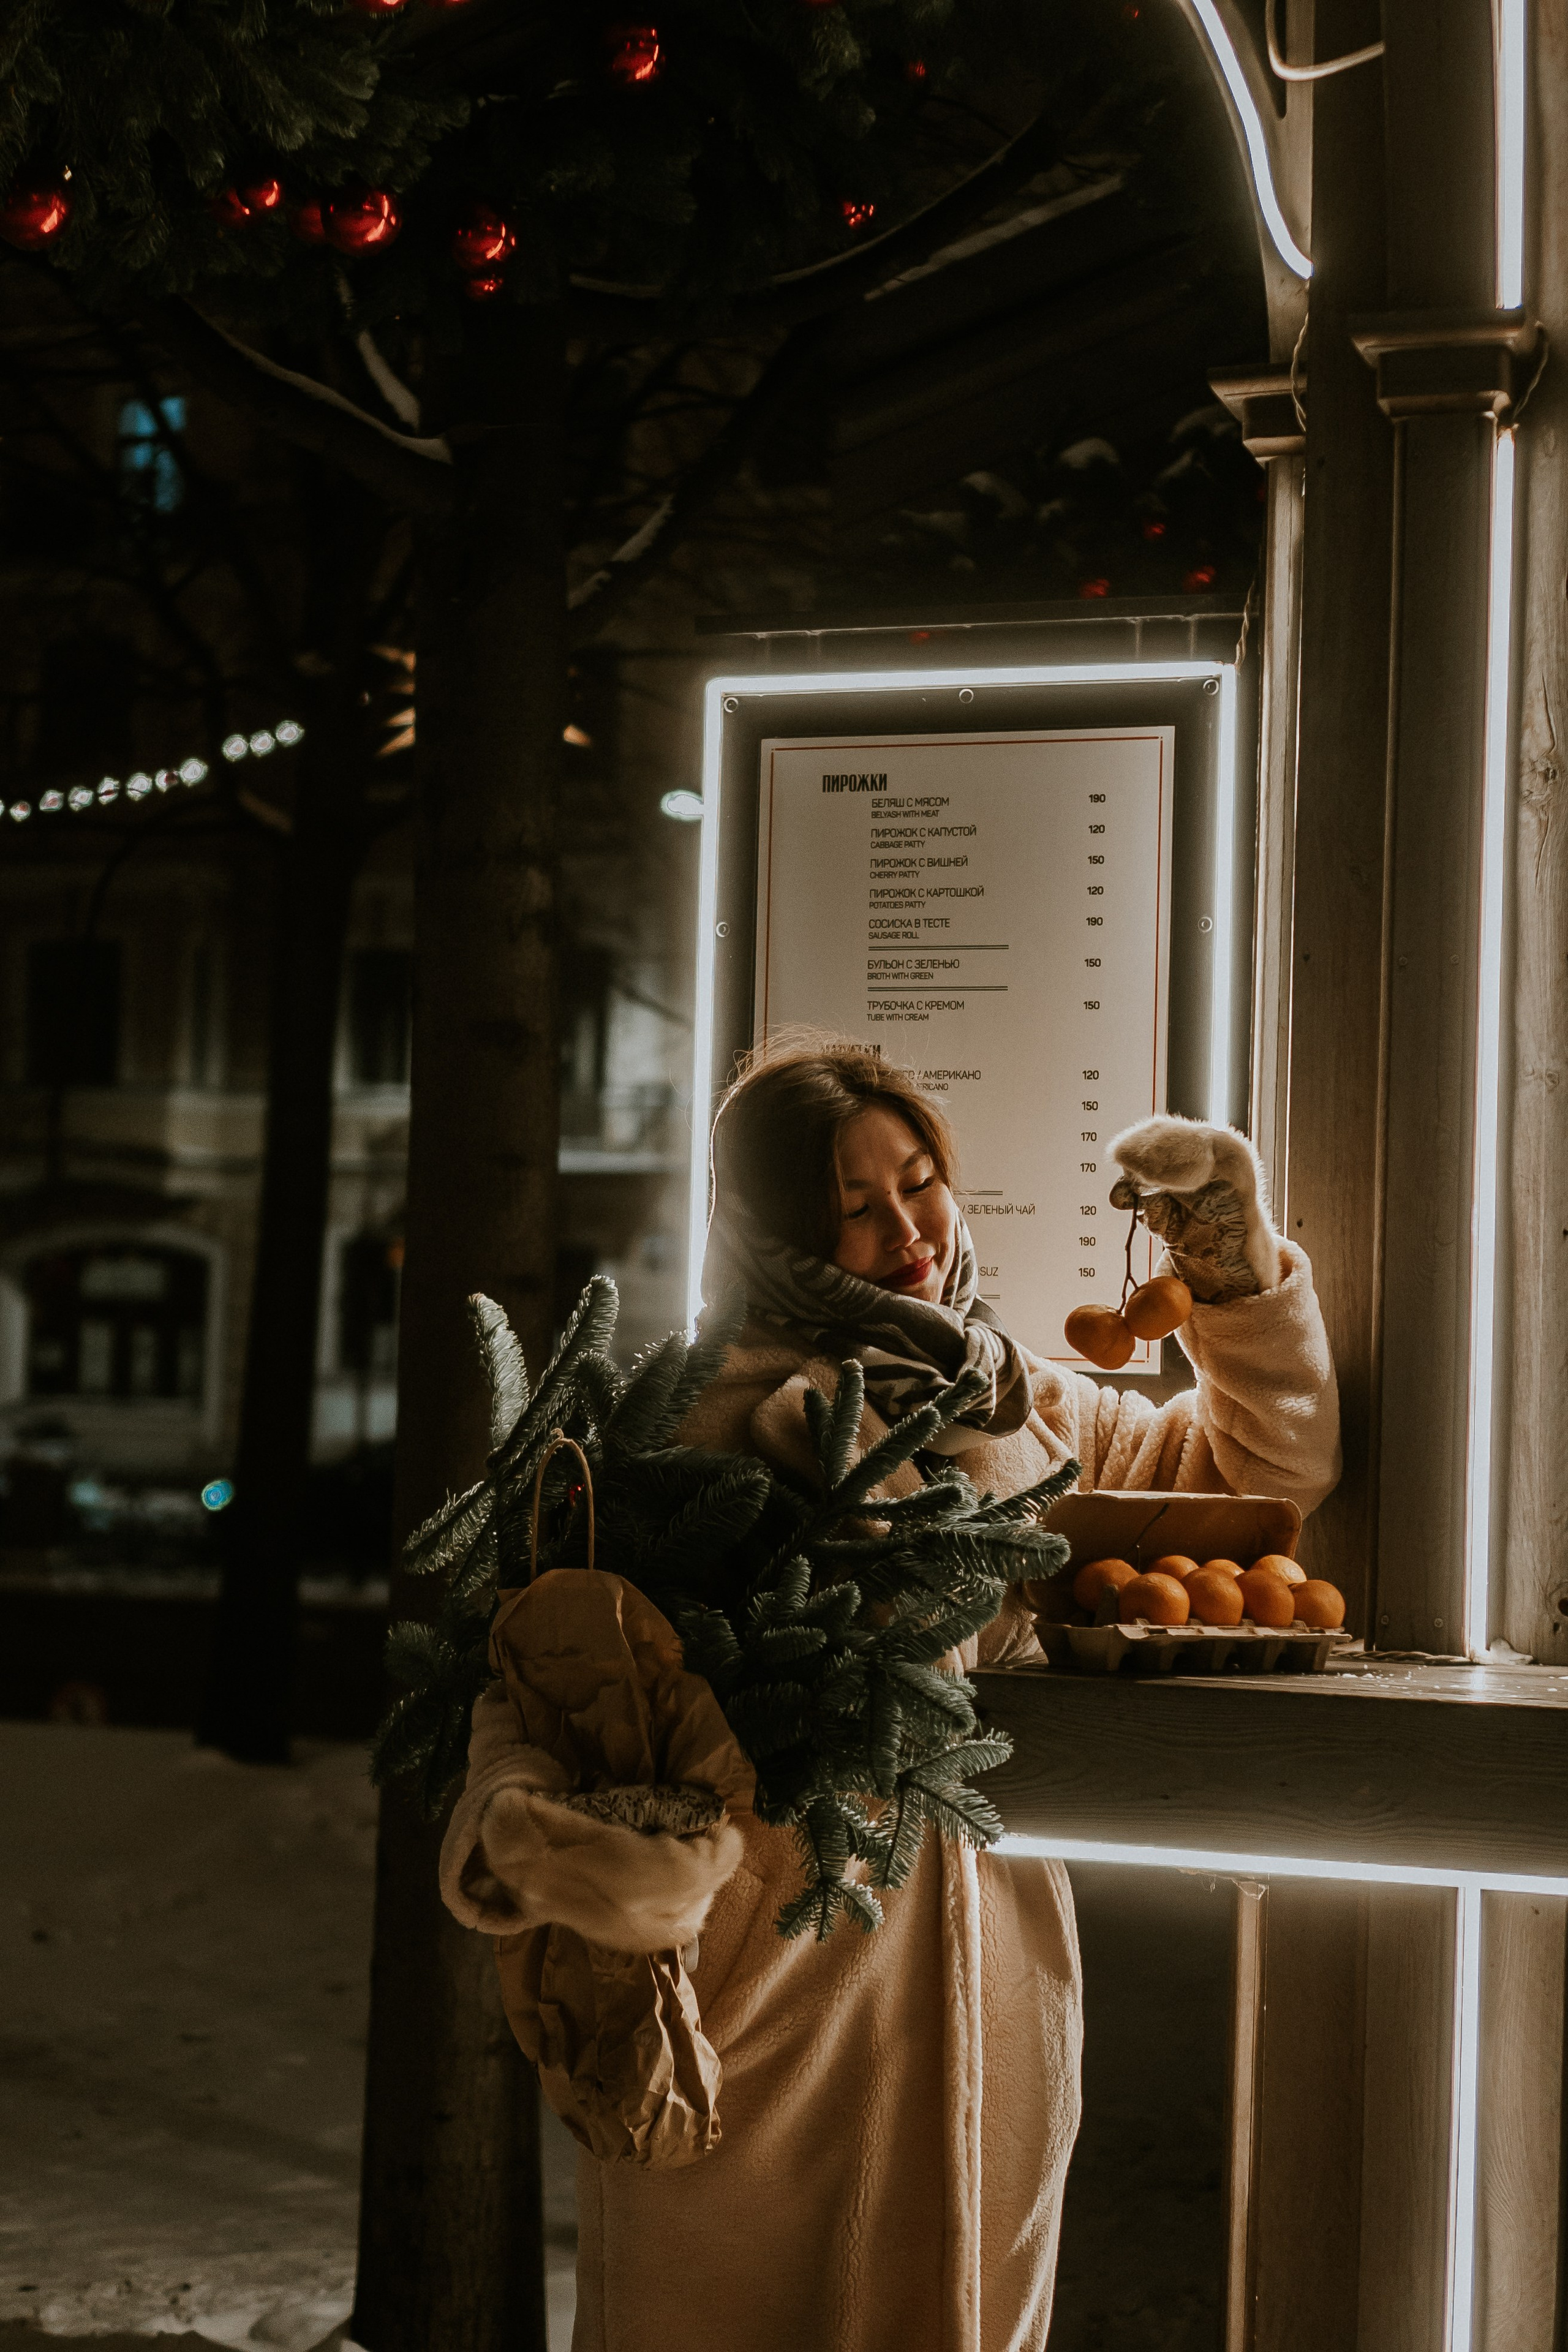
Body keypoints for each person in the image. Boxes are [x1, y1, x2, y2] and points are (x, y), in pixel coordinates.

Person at [451, 1038, 1341, 2352]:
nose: (903, 1229)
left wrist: (1220, 1248)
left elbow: (1259, 1467)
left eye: (915, 1182)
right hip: (770, 1966)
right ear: (771, 1230)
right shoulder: (687, 1420)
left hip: (987, 1962)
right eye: (848, 1208)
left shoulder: (1011, 1400)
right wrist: (530, 1830)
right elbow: (558, 1665)